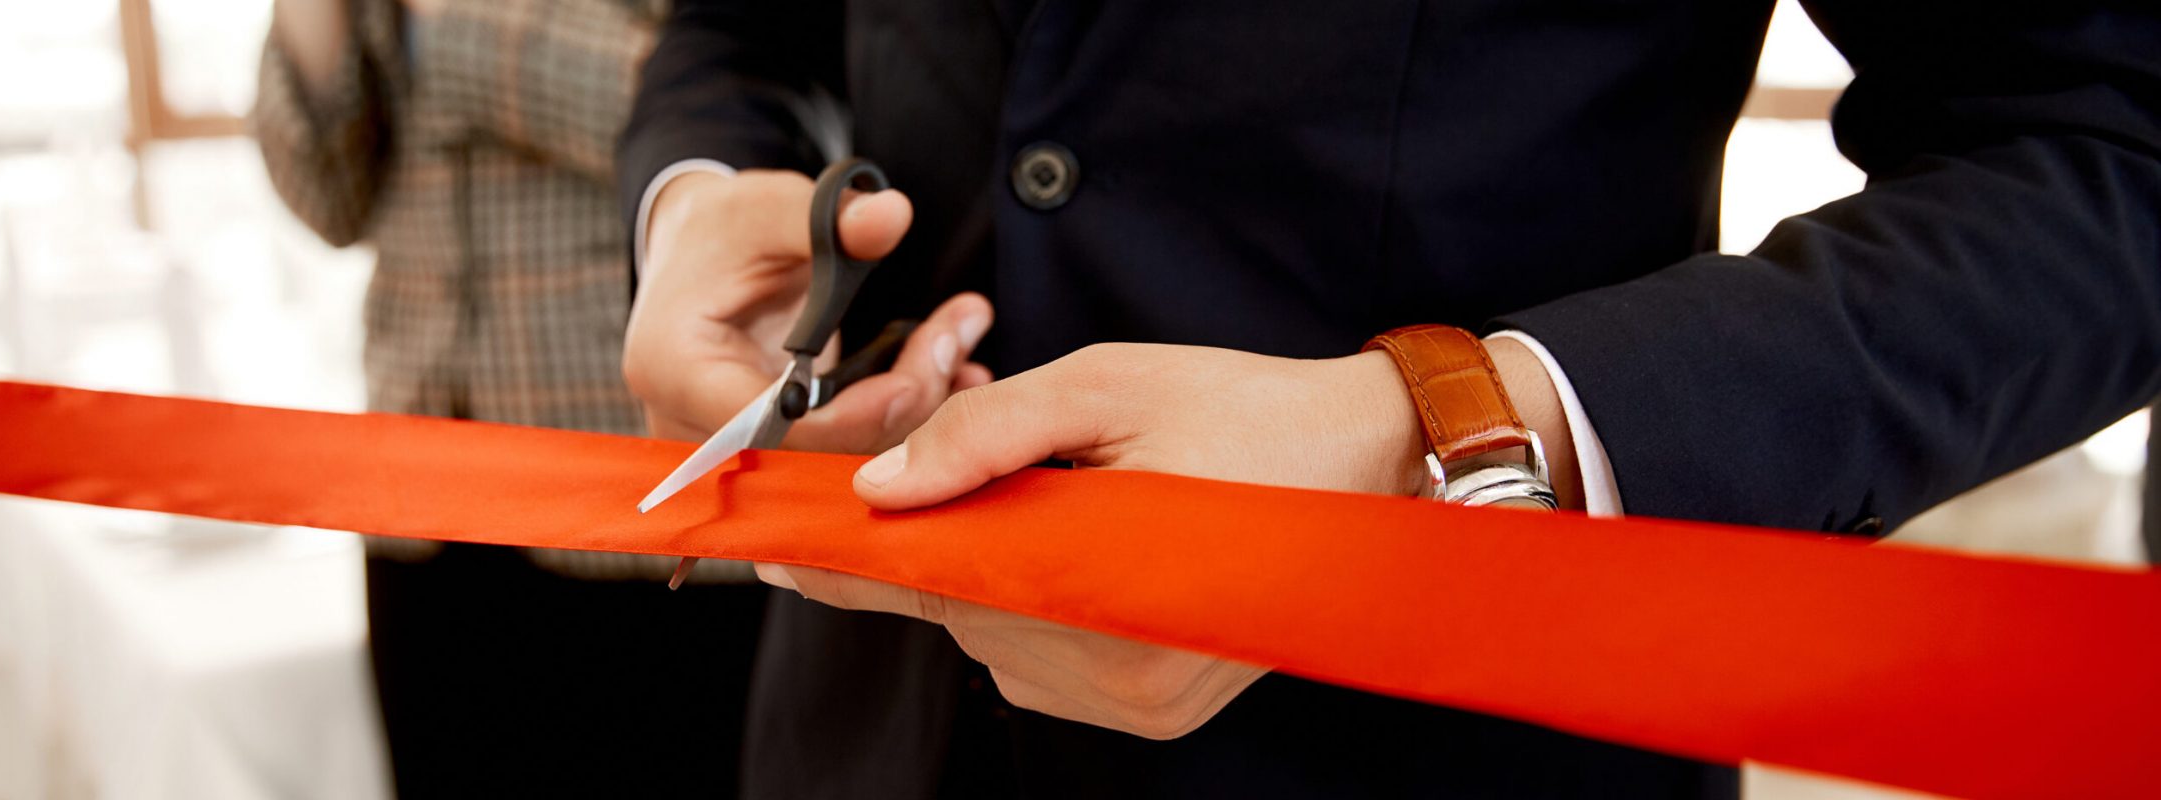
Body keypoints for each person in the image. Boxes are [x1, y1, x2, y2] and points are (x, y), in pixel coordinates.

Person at [621, 2, 2161, 797]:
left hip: (1447, 765)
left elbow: (2112, 158)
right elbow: (744, 27)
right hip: (859, 737)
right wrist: (690, 199)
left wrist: (1453, 431)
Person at [254, 0, 765, 795]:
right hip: (418, 487)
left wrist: (451, 22)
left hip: (635, 484)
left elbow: (735, 120)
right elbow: (329, 199)